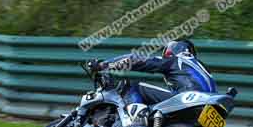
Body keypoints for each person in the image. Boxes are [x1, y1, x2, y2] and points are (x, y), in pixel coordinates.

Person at [88, 39, 217, 106]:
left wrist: (104, 65)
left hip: (187, 98)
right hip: (209, 103)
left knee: (132, 86)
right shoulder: (202, 68)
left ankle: (136, 123)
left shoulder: (176, 60)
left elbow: (137, 61)